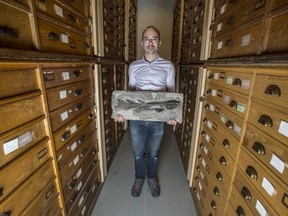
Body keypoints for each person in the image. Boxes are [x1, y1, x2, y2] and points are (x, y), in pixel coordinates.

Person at [115, 26, 177, 197]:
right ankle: (138, 179)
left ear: (159, 42)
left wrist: (172, 116)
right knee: (138, 152)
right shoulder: (134, 66)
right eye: (147, 39)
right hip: (137, 119)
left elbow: (171, 93)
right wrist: (122, 113)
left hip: (158, 119)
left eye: (154, 38)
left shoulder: (168, 66)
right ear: (142, 43)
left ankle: (151, 178)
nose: (151, 42)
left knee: (155, 153)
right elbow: (129, 94)